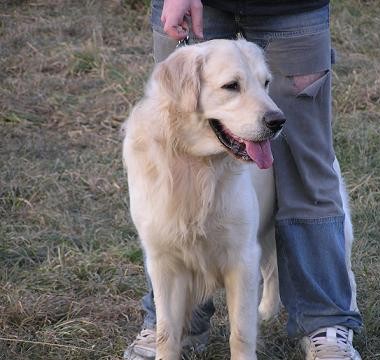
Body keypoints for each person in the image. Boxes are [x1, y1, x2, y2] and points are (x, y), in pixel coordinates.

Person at [124, 0, 363, 359]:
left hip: (294, 8)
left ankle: (326, 324)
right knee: (175, 136)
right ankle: (175, 331)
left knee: (308, 169)